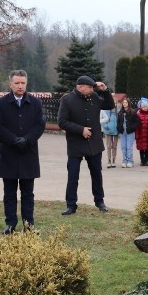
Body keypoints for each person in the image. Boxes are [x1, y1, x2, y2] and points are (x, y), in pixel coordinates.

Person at [0, 70, 45, 234]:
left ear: (26, 84)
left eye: (23, 83)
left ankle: (29, 224)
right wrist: (14, 140)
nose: (20, 86)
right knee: (9, 192)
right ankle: (10, 223)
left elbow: (40, 125)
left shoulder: (35, 103)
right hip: (9, 153)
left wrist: (27, 139)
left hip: (28, 152)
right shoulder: (1, 103)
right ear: (10, 84)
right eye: (17, 83)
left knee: (28, 193)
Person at [57, 75, 114, 215]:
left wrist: (105, 90)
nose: (91, 90)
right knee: (73, 176)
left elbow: (109, 105)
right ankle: (71, 205)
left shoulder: (94, 97)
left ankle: (99, 201)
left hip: (94, 143)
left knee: (96, 173)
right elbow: (62, 122)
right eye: (89, 87)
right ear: (80, 87)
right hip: (75, 144)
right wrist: (80, 129)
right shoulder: (67, 99)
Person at [117, 98, 138, 168]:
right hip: (123, 132)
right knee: (123, 147)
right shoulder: (120, 112)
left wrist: (132, 128)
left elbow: (137, 122)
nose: (124, 104)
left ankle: (130, 161)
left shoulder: (133, 112)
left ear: (128, 103)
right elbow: (118, 122)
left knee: (129, 147)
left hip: (130, 132)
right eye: (123, 103)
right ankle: (124, 161)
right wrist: (119, 128)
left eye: (126, 102)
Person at [100, 99, 120, 168]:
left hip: (116, 130)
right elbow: (104, 119)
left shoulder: (118, 110)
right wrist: (106, 126)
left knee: (114, 146)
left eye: (115, 102)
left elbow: (120, 120)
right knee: (108, 146)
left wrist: (119, 128)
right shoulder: (106, 110)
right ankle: (109, 160)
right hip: (108, 130)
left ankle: (114, 160)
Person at [135, 97, 148, 166]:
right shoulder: (138, 115)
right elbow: (136, 126)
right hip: (140, 134)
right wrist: (136, 134)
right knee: (141, 149)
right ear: (141, 107)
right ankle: (142, 161)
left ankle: (147, 160)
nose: (145, 108)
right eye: (143, 107)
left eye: (146, 107)